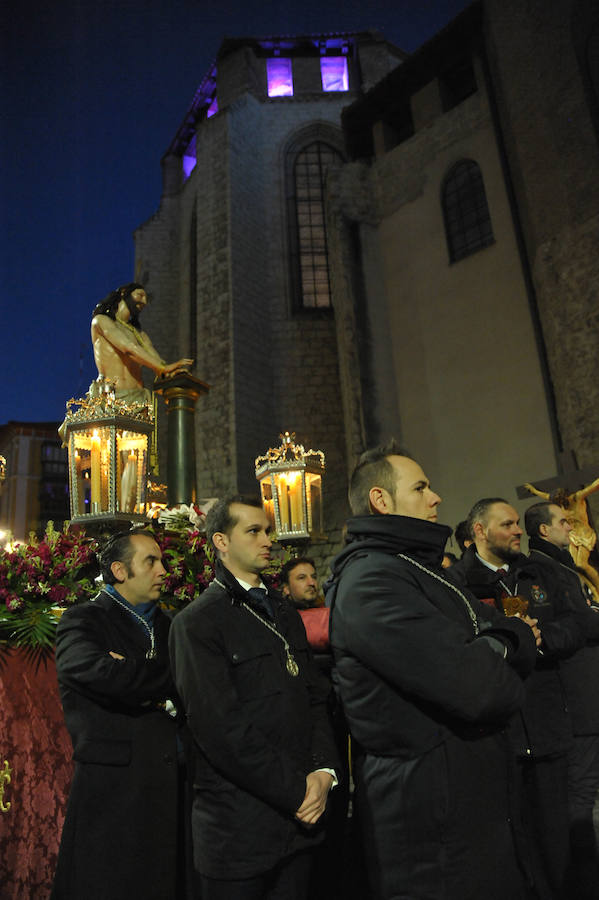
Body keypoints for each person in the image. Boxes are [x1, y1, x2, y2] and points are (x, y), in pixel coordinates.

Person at [327, 441, 539, 900]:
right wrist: (507, 642)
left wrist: (495, 641)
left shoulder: (416, 570)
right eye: (420, 487)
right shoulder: (372, 581)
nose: (436, 497)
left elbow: (491, 637)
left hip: (463, 794)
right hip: (430, 814)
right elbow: (479, 686)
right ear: (381, 500)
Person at [169, 495, 338, 900]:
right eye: (254, 531)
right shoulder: (197, 622)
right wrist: (295, 792)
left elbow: (315, 698)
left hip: (301, 824)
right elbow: (220, 729)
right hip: (239, 830)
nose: (267, 540)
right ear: (221, 542)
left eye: (268, 531)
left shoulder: (283, 611)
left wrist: (324, 771)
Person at [449, 498, 584, 898]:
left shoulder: (538, 571)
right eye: (506, 524)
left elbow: (575, 625)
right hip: (497, 735)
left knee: (558, 841)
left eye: (516, 524)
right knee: (510, 843)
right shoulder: (458, 582)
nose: (517, 530)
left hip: (546, 726)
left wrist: (541, 641)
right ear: (479, 532)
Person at [52, 530, 185, 900]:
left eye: (162, 560)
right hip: (114, 793)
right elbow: (99, 675)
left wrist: (134, 671)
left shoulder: (171, 626)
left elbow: (194, 682)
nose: (163, 570)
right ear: (119, 570)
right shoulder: (84, 620)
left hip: (171, 786)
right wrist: (170, 677)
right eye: (151, 561)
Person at [525, 501, 599, 898]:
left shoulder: (564, 566)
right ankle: (583, 880)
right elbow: (581, 621)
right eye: (563, 522)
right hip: (577, 701)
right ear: (544, 531)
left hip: (587, 697)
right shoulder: (543, 570)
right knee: (581, 793)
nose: (570, 527)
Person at [91, 282, 193, 401]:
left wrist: (170, 373)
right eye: (140, 295)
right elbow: (128, 348)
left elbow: (157, 360)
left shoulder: (139, 334)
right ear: (124, 292)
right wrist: (163, 368)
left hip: (138, 398)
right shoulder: (101, 321)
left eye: (146, 299)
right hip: (111, 397)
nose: (144, 302)